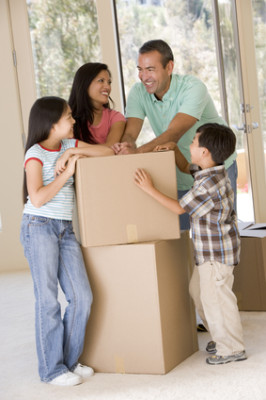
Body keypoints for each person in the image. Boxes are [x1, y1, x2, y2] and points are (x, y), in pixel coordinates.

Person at [134, 123, 246, 365]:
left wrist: (149, 189)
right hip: (209, 253)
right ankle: (220, 335)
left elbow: (178, 208)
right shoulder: (209, 171)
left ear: (205, 152)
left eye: (193, 142)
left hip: (216, 255)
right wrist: (174, 150)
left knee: (217, 300)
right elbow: (188, 167)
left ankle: (232, 347)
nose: (190, 145)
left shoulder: (210, 185)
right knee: (199, 293)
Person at [20, 96, 114, 386]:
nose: (74, 121)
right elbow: (37, 198)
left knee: (82, 297)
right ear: (52, 124)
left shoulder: (69, 146)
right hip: (39, 227)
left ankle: (69, 362)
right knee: (48, 301)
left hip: (65, 229)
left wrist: (75, 156)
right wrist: (67, 173)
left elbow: (109, 153)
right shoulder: (34, 154)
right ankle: (52, 370)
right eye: (69, 117)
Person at [112, 39, 237, 230]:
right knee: (183, 240)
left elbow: (174, 133)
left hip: (216, 168)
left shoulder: (193, 88)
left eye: (150, 69)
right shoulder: (138, 92)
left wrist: (137, 154)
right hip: (184, 169)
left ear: (169, 67)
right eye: (140, 69)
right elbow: (130, 133)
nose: (143, 76)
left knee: (217, 230)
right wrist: (128, 145)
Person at [69, 62, 126, 146]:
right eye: (101, 81)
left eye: (109, 82)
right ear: (85, 84)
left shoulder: (116, 118)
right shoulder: (68, 119)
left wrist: (78, 150)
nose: (107, 87)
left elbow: (110, 148)